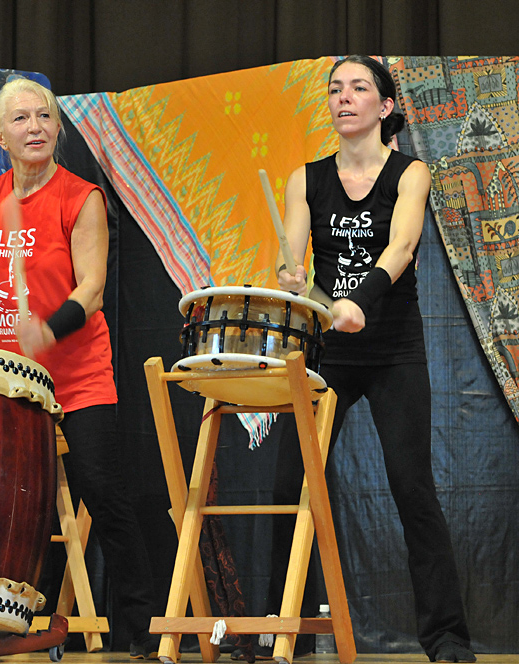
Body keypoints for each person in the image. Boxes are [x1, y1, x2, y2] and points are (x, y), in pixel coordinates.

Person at [0, 77, 162, 659]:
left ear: (57, 128)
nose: (35, 127)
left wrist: (48, 330)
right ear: (0, 136)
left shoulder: (80, 196)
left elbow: (91, 288)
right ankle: (9, 624)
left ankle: (141, 630)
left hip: (77, 375)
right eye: (21, 119)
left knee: (104, 494)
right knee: (7, 502)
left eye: (44, 116)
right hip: (9, 384)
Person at [268, 56, 475, 663]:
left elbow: (402, 246)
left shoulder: (410, 172)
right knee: (291, 484)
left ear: (385, 107)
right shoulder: (305, 179)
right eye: (335, 89)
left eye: (359, 88)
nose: (344, 98)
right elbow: (292, 263)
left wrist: (358, 301)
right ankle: (292, 633)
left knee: (412, 488)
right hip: (327, 354)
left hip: (392, 352)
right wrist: (292, 277)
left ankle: (446, 639)